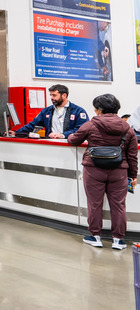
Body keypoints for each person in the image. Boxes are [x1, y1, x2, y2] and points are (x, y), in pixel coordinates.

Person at [67, 94, 138, 249]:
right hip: (119, 171)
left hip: (94, 169)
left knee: (94, 203)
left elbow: (73, 140)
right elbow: (132, 155)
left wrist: (69, 135)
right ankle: (118, 240)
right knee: (119, 205)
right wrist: (133, 176)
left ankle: (95, 236)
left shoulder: (90, 124)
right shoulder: (127, 127)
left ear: (99, 110)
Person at [10, 84, 88, 139]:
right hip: (51, 144)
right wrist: (16, 133)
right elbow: (33, 125)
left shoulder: (78, 111)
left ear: (64, 95)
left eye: (54, 95)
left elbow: (82, 129)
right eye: (50, 95)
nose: (51, 97)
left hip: (70, 145)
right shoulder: (47, 111)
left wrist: (63, 135)